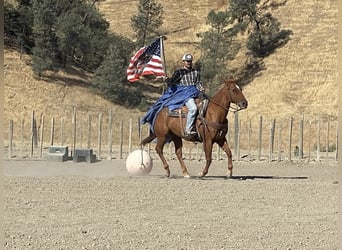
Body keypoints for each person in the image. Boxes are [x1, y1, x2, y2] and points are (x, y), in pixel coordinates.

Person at [166, 53, 204, 139]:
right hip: (185, 95)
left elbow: (198, 83)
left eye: (190, 61)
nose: (189, 63)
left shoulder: (195, 72)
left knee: (206, 107)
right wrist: (167, 80)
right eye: (187, 61)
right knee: (193, 108)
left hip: (196, 93)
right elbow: (172, 82)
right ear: (183, 62)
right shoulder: (179, 72)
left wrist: (202, 89)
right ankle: (188, 130)